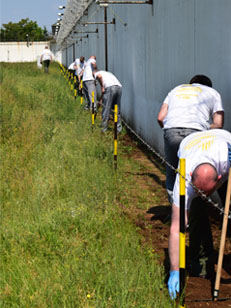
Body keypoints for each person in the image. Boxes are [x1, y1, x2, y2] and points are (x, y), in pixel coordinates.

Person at [167, 129, 231, 300]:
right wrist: (174, 271)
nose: (205, 196)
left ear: (219, 178)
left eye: (208, 193)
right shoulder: (184, 179)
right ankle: (202, 266)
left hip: (222, 141)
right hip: (191, 142)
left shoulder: (226, 157)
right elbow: (176, 228)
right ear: (190, 177)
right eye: (199, 192)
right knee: (197, 215)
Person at [157, 75, 224, 203]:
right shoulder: (213, 93)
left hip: (172, 131)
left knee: (172, 174)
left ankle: (176, 214)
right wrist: (204, 127)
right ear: (208, 85)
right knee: (196, 173)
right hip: (196, 134)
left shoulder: (176, 90)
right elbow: (218, 124)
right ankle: (193, 215)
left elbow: (160, 117)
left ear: (191, 84)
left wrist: (170, 131)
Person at [94, 67, 122, 133]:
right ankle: (118, 129)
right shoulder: (107, 73)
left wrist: (102, 87)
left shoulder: (97, 73)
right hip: (119, 87)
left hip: (110, 88)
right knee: (116, 109)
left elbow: (99, 76)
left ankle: (104, 129)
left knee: (106, 108)